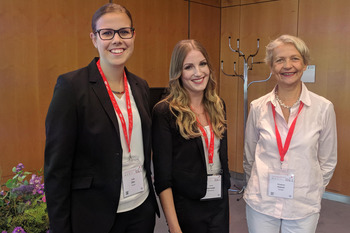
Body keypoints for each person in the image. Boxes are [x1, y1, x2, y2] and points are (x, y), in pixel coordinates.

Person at [44, 3, 159, 233]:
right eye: (107, 33)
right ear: (94, 38)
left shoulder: (140, 86)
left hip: (140, 210)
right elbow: (57, 170)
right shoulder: (71, 88)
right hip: (95, 216)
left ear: (133, 35)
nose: (117, 40)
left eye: (124, 32)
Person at [243, 34, 337, 233]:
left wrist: (313, 190)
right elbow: (249, 156)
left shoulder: (323, 108)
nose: (288, 66)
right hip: (262, 202)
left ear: (304, 65)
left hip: (303, 204)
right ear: (271, 67)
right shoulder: (258, 107)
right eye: (279, 60)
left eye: (294, 58)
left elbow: (328, 160)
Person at [152, 39, 231, 233]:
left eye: (202, 64)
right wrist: (174, 227)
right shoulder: (165, 112)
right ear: (178, 73)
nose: (198, 72)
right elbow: (163, 178)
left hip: (219, 203)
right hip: (187, 207)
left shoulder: (218, 105)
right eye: (189, 67)